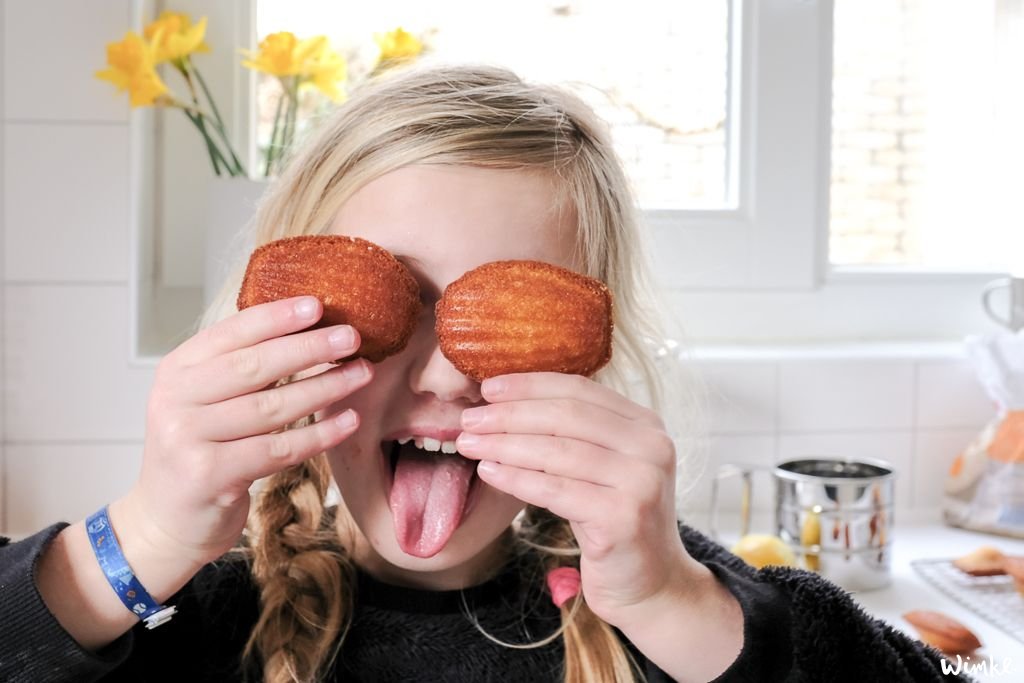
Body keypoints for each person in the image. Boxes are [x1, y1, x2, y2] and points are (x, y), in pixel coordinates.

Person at [0, 63, 963, 683]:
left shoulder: (658, 600)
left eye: (507, 319)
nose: (449, 374)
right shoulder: (194, 612)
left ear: (593, 349)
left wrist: (675, 605)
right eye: (384, 306)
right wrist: (146, 535)